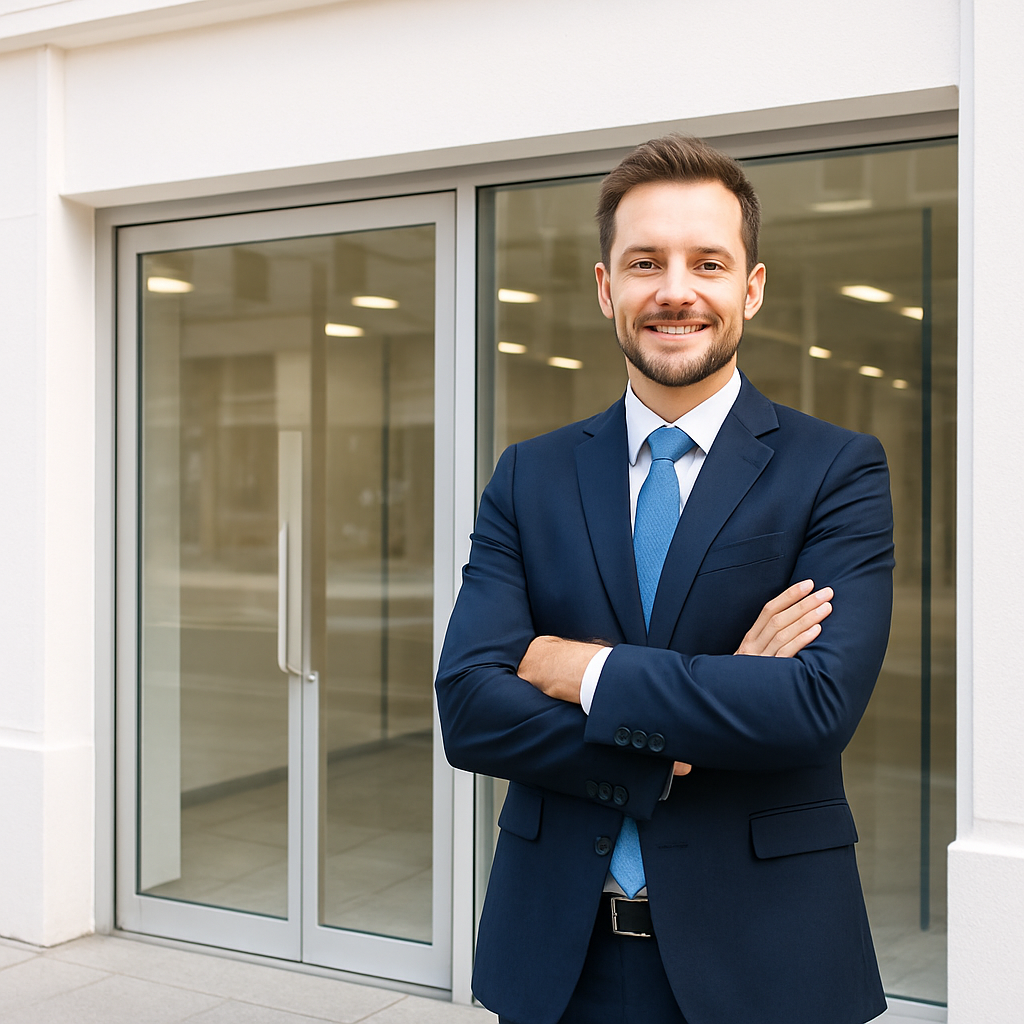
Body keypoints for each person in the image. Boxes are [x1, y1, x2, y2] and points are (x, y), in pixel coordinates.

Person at [435, 134, 894, 1024]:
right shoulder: (528, 476)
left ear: (750, 288)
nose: (674, 290)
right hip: (559, 961)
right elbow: (469, 708)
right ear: (607, 287)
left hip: (768, 957)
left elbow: (814, 705)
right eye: (645, 262)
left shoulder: (835, 469)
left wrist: (582, 671)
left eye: (708, 263)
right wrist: (686, 728)